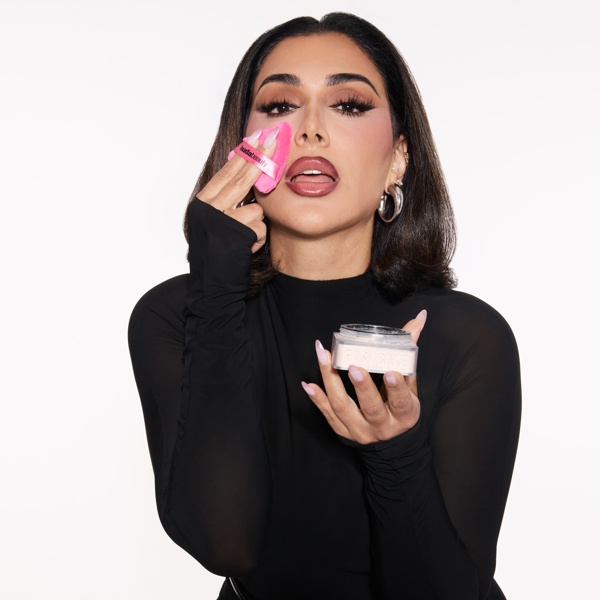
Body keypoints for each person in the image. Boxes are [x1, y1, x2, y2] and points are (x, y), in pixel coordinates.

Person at [128, 12, 521, 600]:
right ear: (242, 149)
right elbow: (226, 545)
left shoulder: (467, 337)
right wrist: (215, 286)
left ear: (398, 158)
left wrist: (395, 452)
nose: (310, 130)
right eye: (281, 106)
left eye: (349, 105)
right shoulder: (177, 314)